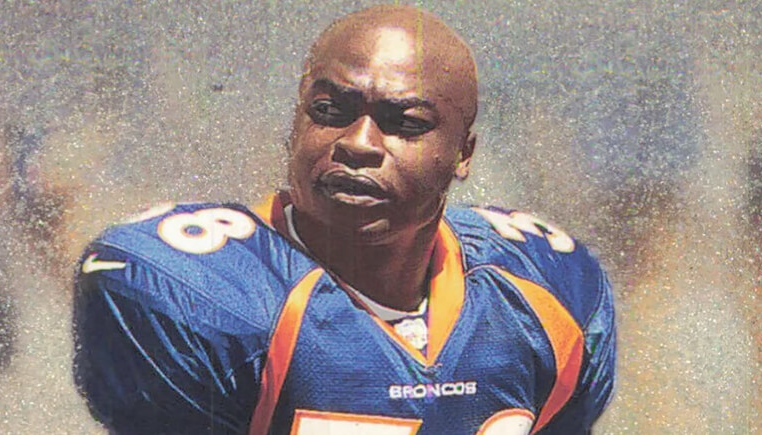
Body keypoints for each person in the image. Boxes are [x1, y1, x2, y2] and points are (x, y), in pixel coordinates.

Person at [73, 4, 616, 434]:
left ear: (463, 154)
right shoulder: (197, 291)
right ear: (294, 124)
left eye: (404, 122)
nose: (357, 144)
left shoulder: (547, 292)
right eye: (329, 112)